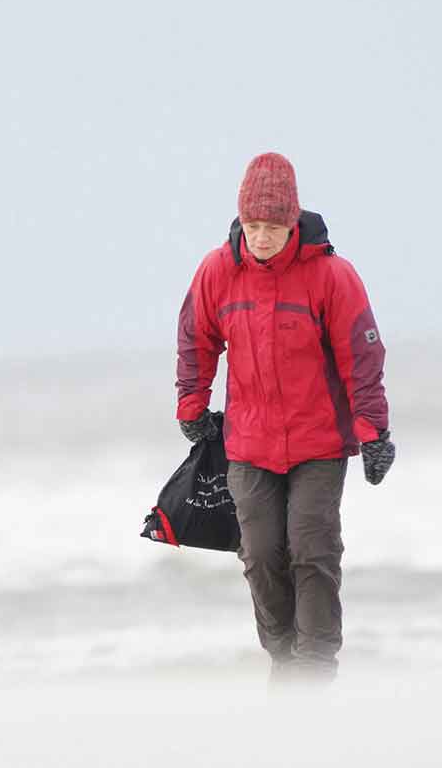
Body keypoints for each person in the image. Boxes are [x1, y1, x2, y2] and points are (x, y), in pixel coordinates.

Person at [175, 152, 396, 687]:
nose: (262, 237)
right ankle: (283, 659)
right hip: (249, 444)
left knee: (312, 549)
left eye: (272, 227)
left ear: (292, 221)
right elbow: (195, 339)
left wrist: (374, 432)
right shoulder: (217, 271)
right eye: (252, 226)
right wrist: (192, 407)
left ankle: (317, 666)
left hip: (319, 444)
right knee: (260, 554)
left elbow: (361, 358)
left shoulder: (331, 275)